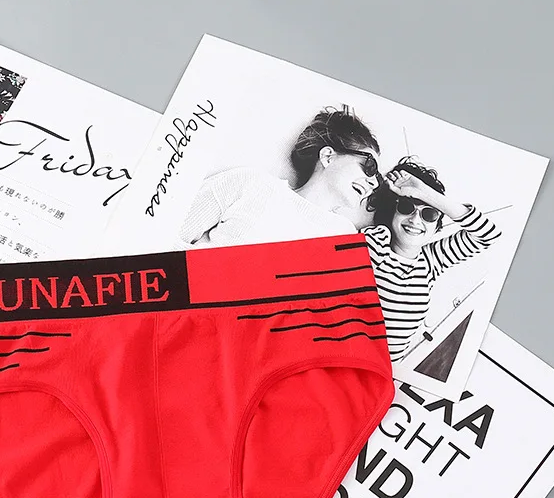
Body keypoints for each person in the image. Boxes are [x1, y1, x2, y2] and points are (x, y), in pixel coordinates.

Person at [362, 157, 502, 362]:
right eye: (406, 207)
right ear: (392, 211)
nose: (415, 220)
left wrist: (424, 193)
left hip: (385, 373)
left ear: (437, 225)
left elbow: (488, 234)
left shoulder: (431, 261)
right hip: (348, 367)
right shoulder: (375, 242)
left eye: (429, 214)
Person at [179, 106, 382, 246]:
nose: (373, 183)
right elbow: (168, 226)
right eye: (369, 166)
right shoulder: (251, 183)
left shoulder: (343, 235)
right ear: (328, 156)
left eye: (379, 179)